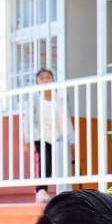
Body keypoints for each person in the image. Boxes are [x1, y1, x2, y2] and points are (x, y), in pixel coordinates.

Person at [27, 68, 69, 204]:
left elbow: (63, 118)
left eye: (48, 77)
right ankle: (40, 190)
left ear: (53, 80)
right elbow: (28, 119)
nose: (45, 80)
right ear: (37, 82)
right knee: (43, 161)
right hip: (39, 136)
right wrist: (27, 140)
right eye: (42, 78)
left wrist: (69, 136)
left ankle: (47, 191)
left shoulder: (58, 99)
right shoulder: (35, 99)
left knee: (51, 163)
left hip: (54, 136)